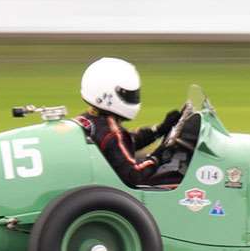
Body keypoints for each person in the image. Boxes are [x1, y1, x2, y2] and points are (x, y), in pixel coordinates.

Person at [73, 56, 186, 190]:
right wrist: (158, 155)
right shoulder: (111, 133)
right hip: (111, 192)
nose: (134, 98)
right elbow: (134, 175)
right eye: (129, 95)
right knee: (173, 178)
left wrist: (160, 129)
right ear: (107, 94)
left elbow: (127, 142)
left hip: (92, 185)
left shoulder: (87, 119)